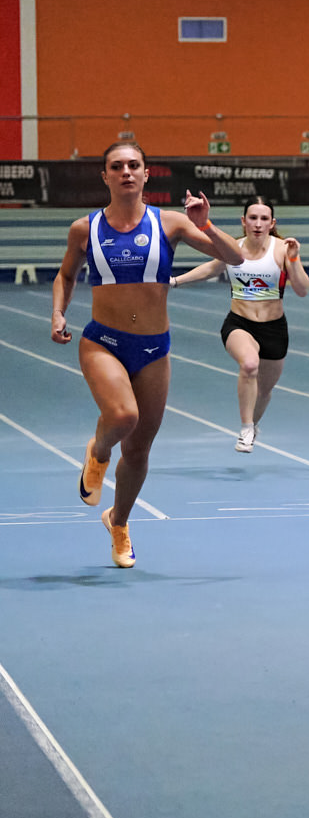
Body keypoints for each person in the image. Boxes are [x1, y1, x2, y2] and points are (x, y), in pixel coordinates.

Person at [51, 142, 245, 567]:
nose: (126, 171)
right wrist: (59, 312)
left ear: (146, 174)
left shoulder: (170, 222)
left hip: (154, 349)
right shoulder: (85, 229)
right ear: (105, 176)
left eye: (133, 165)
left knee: (139, 451)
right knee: (124, 416)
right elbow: (66, 275)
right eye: (117, 166)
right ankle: (98, 452)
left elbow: (236, 257)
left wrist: (207, 225)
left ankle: (118, 522)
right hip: (103, 342)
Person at [170, 199, 309, 453]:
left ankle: (253, 424)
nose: (258, 224)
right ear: (243, 221)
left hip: (274, 329)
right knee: (249, 364)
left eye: (264, 219)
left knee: (264, 390)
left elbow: (302, 290)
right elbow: (210, 268)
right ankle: (245, 427)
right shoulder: (234, 248)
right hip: (239, 323)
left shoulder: (282, 249)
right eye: (253, 218)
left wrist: (294, 258)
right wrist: (175, 281)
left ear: (272, 223)